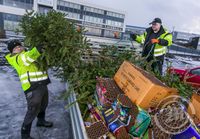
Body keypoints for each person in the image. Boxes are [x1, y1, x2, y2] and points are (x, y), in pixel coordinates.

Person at [5, 40, 53, 139]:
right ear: (12, 52)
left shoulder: (28, 53)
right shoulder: (16, 58)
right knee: (32, 110)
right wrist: (38, 49)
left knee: (43, 104)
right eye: (15, 48)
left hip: (42, 84)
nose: (18, 48)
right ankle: (25, 134)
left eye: (19, 46)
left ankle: (41, 121)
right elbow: (27, 58)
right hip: (32, 87)